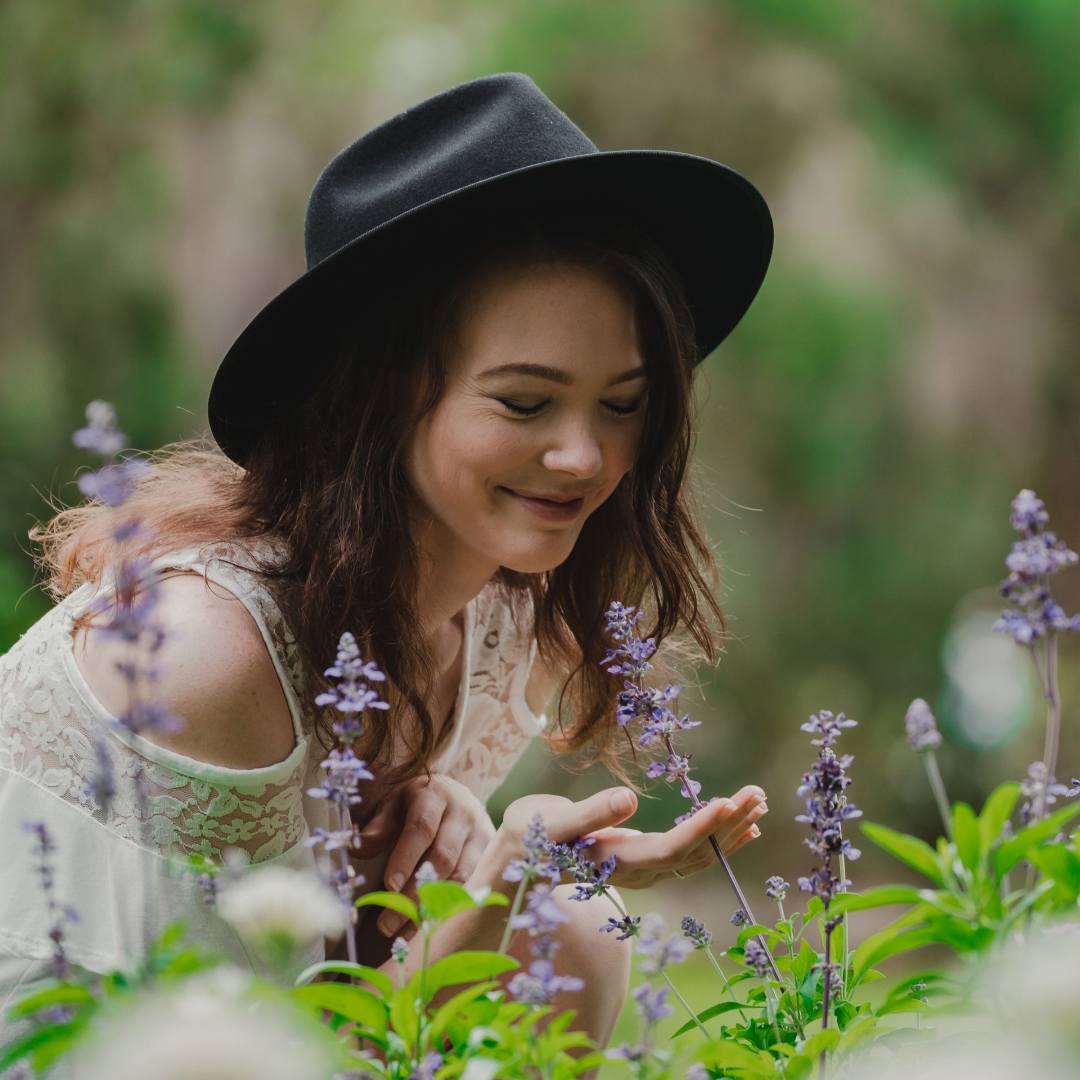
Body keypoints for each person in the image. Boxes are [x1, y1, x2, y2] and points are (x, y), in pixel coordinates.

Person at [0, 72, 773, 1048]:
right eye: (525, 403)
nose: (584, 457)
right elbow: (230, 1053)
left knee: (567, 926)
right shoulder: (213, 657)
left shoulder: (502, 621)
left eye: (622, 403)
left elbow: (373, 1018)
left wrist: (507, 883)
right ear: (385, 398)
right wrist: (484, 888)